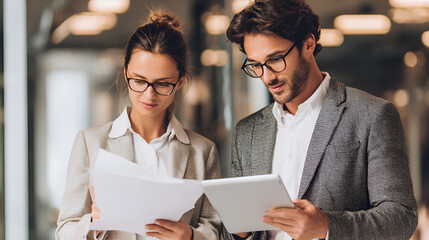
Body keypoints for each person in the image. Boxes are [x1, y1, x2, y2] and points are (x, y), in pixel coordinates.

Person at [223, 0, 418, 239]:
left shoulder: (372, 115)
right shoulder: (247, 132)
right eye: (256, 65)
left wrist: (326, 225)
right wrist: (239, 233)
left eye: (275, 59)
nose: (266, 76)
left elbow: (401, 217)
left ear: (308, 44)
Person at [56, 11, 221, 240]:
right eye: (139, 81)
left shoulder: (202, 151)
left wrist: (191, 236)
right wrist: (93, 223)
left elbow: (216, 229)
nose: (149, 95)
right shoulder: (90, 143)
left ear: (180, 80)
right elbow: (65, 230)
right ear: (126, 73)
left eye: (163, 84)